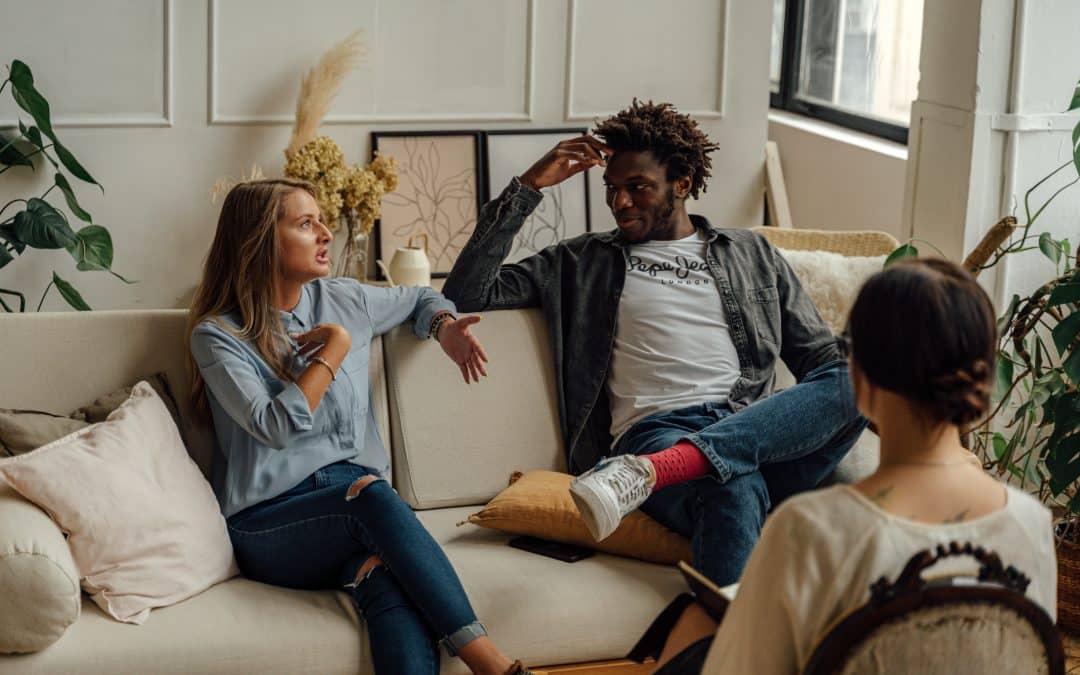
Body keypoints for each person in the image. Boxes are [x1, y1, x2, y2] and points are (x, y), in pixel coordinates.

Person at [443, 100, 866, 586]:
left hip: (752, 430)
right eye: (612, 189)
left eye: (638, 188)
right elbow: (467, 294)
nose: (620, 203)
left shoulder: (753, 254)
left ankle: (660, 472)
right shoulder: (581, 262)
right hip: (657, 433)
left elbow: (824, 365)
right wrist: (528, 187)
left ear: (682, 183)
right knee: (732, 484)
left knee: (863, 378)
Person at [640, 258, 1057, 674]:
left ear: (857, 376)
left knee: (694, 618)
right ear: (982, 378)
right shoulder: (1032, 524)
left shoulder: (810, 530)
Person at [186, 178, 531, 675]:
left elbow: (418, 298)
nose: (326, 233)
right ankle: (493, 666)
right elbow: (276, 427)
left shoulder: (345, 298)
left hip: (358, 512)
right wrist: (333, 351)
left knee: (386, 579)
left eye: (322, 220)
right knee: (371, 496)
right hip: (270, 524)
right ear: (261, 239)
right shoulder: (218, 336)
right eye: (306, 224)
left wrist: (444, 327)